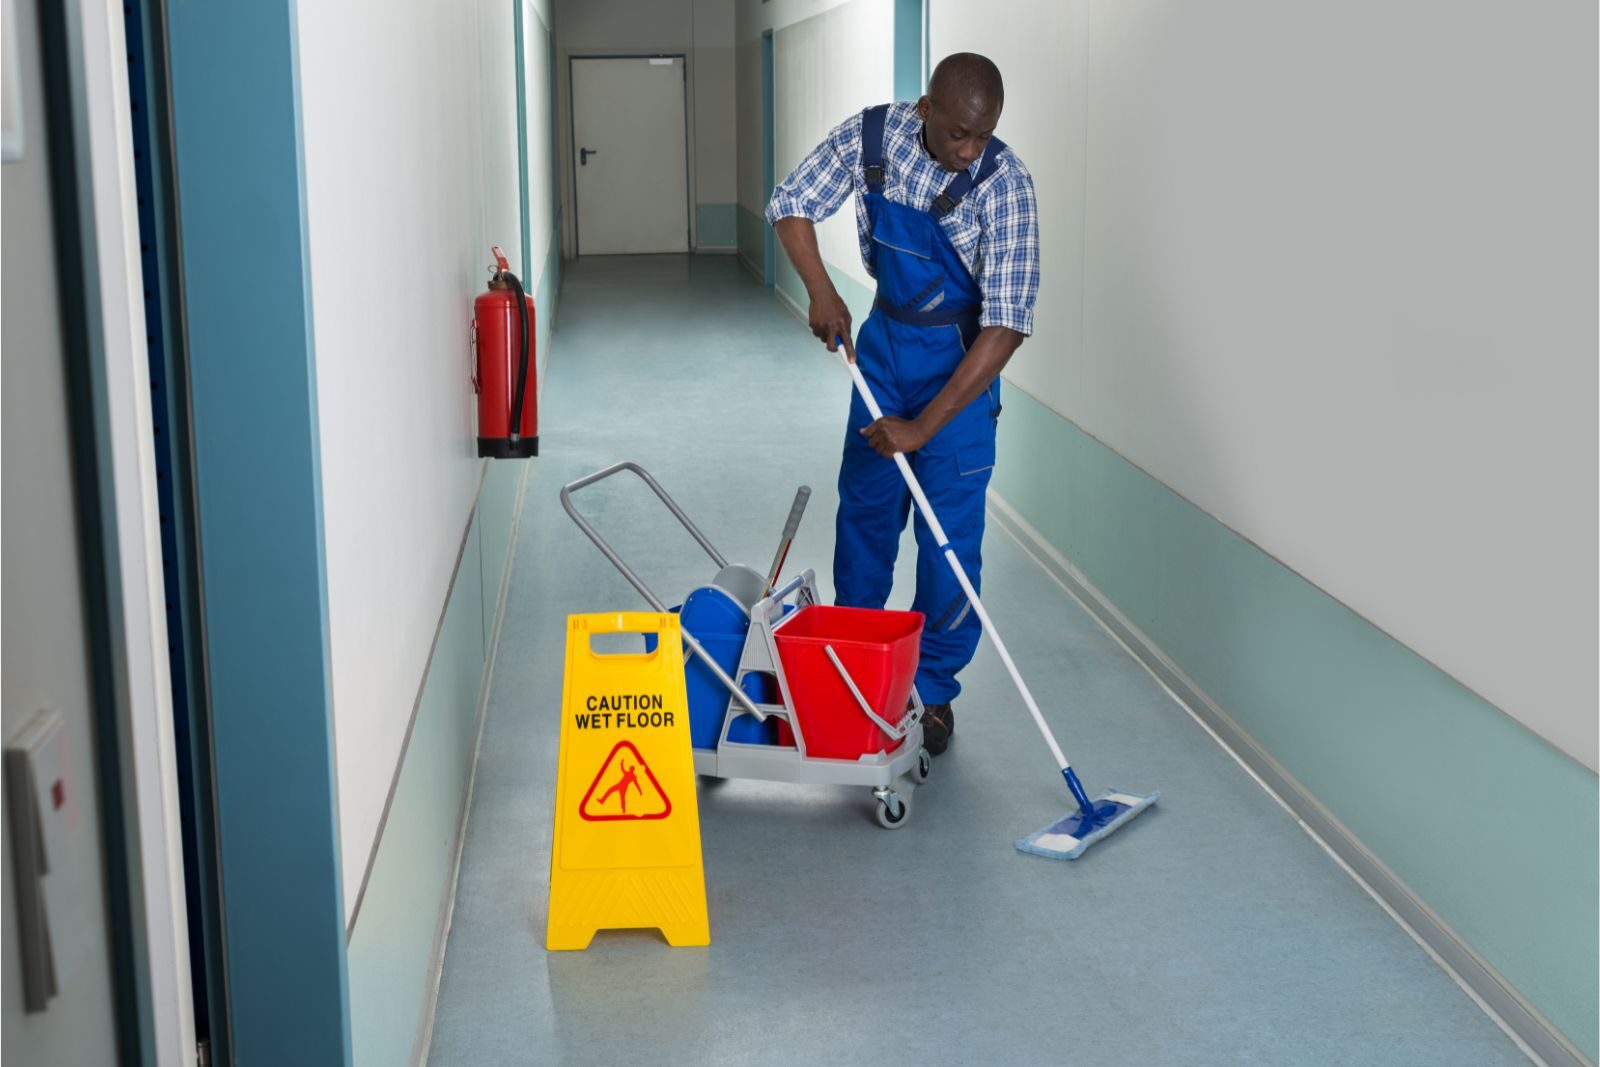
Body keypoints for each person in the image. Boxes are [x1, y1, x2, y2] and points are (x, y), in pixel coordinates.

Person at [766, 52, 1039, 756]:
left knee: (948, 545)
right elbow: (790, 203)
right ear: (926, 110)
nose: (969, 151)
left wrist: (924, 425)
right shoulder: (872, 139)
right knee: (865, 515)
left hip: (962, 369)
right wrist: (820, 290)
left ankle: (934, 692)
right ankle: (858, 669)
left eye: (983, 137)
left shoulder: (1005, 186)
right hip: (885, 351)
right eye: (957, 135)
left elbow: (1005, 325)